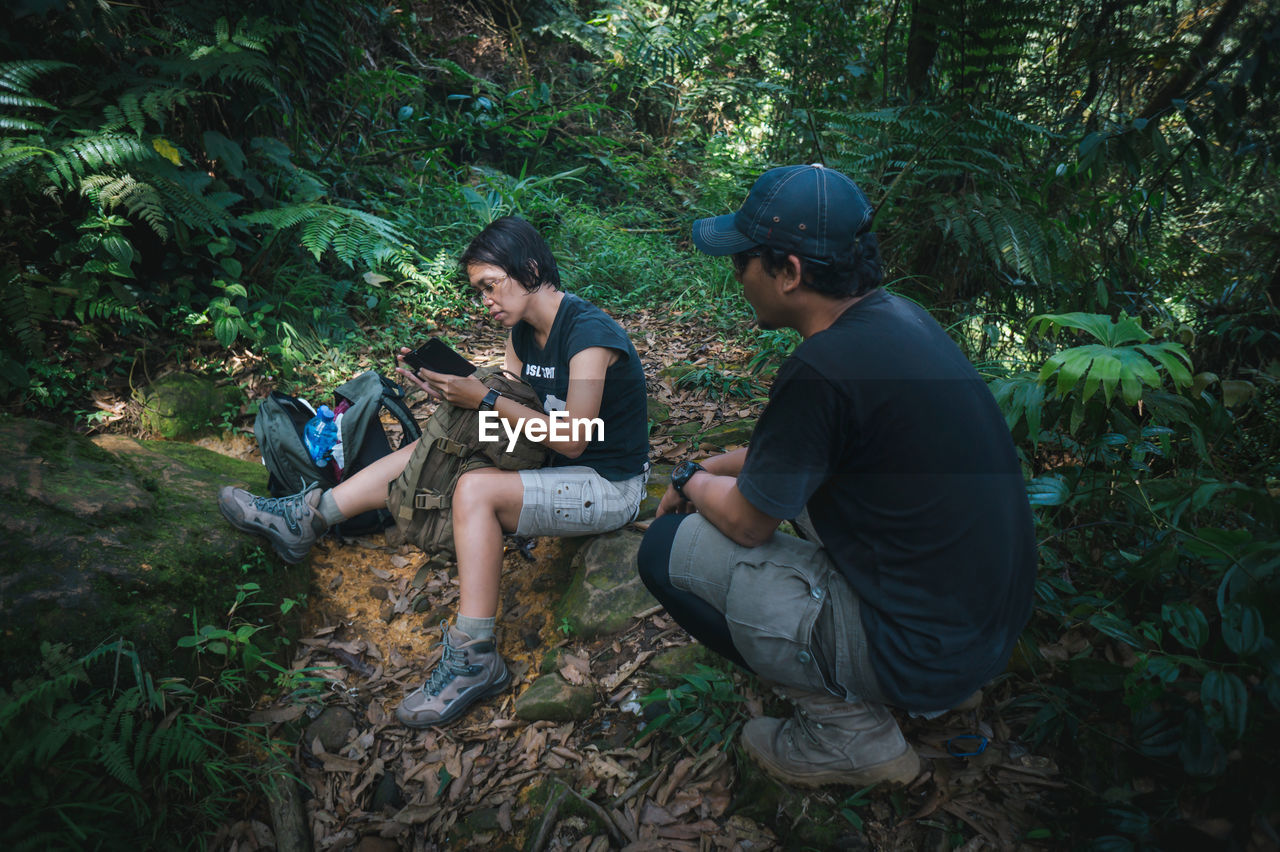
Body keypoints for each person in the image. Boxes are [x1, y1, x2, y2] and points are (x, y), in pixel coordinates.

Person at [637, 164, 1036, 788]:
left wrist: (688, 478)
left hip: (920, 645)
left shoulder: (823, 369)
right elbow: (824, 449)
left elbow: (745, 522)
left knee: (662, 552)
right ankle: (938, 689)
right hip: (979, 632)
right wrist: (720, 463)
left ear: (789, 272)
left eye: (743, 261)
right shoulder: (897, 320)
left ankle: (847, 735)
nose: (737, 277)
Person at [219, 215, 650, 727]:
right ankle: (308, 517)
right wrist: (453, 398)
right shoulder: (522, 333)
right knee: (444, 435)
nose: (485, 301)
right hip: (550, 463)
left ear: (530, 269)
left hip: (607, 484)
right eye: (478, 291)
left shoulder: (589, 334)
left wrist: (483, 397)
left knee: (473, 491)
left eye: (491, 286)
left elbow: (574, 438)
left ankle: (476, 657)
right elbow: (513, 412)